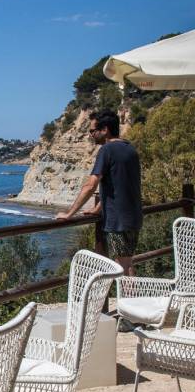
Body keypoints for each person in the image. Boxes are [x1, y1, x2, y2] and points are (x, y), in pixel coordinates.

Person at [56, 109, 142, 276]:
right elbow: (119, 186)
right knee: (127, 262)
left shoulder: (107, 150)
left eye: (93, 131)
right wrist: (97, 209)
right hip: (134, 216)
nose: (91, 135)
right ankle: (132, 300)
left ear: (105, 130)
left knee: (122, 267)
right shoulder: (130, 149)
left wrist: (69, 214)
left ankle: (129, 301)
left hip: (118, 221)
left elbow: (90, 185)